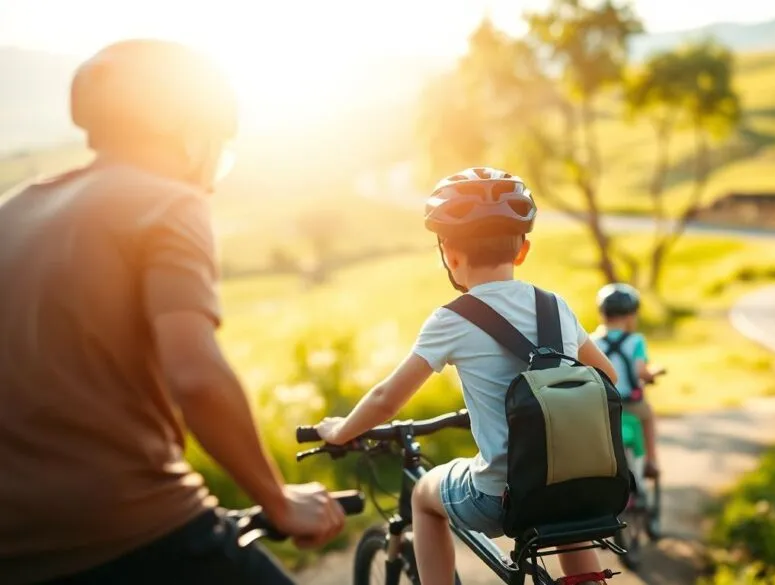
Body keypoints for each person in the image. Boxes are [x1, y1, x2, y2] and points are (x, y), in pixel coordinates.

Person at [0, 39, 345, 585]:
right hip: (131, 528)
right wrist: (277, 500)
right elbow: (197, 377)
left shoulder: (13, 213)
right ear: (190, 134)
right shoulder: (166, 202)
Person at [315, 167, 619, 585]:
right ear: (523, 250)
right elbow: (607, 377)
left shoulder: (452, 320)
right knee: (562, 510)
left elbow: (387, 398)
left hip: (499, 496)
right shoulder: (554, 306)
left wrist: (340, 431)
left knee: (423, 497)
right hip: (577, 482)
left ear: (450, 255)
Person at [593, 283, 664, 478]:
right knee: (647, 417)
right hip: (630, 402)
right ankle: (651, 461)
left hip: (603, 404)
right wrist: (654, 373)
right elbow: (641, 372)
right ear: (631, 315)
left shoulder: (592, 341)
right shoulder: (636, 341)